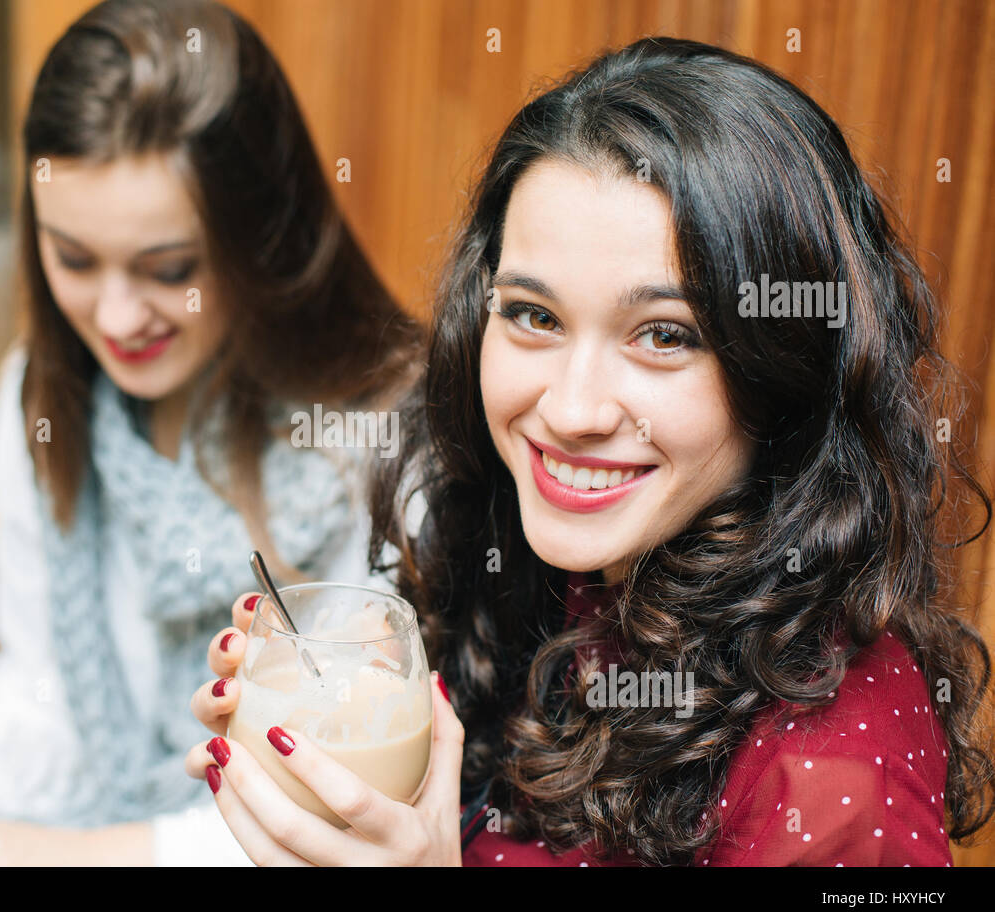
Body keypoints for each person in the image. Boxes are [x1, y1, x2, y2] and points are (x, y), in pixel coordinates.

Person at [184, 37, 994, 866]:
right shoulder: (553, 568)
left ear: (785, 367)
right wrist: (369, 783)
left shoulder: (834, 780)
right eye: (535, 316)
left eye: (665, 336)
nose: (569, 410)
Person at [0, 0, 420, 866]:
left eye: (170, 270)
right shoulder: (37, 400)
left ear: (258, 237)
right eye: (74, 259)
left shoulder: (387, 438)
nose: (117, 317)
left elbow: (346, 806)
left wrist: (37, 855)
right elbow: (42, 685)